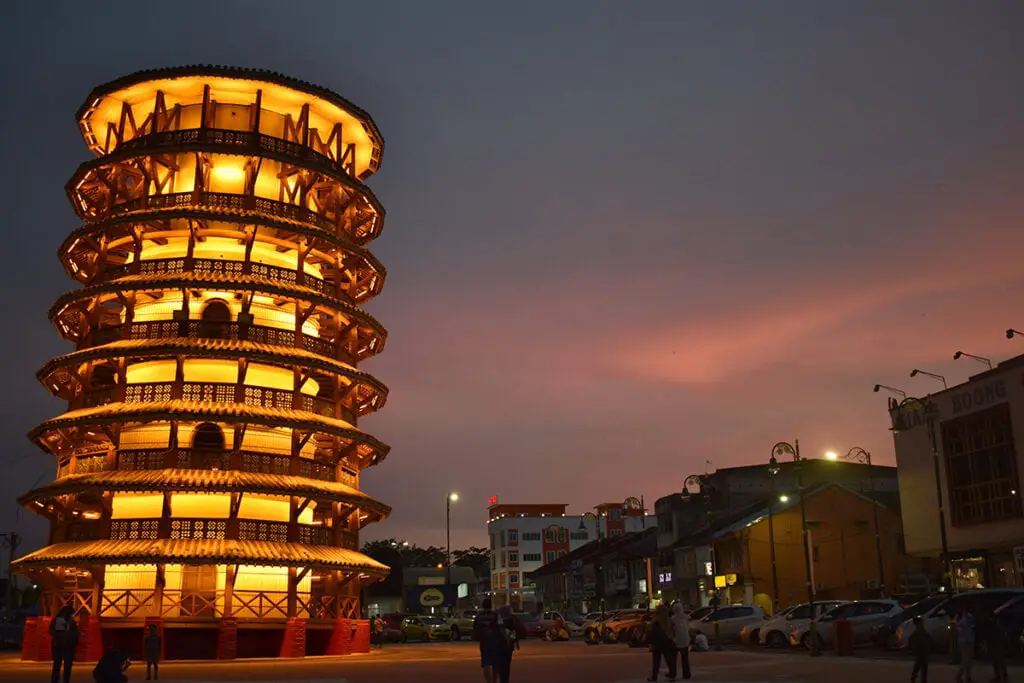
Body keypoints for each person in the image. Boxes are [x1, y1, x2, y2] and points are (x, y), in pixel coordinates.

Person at [473, 598, 509, 683]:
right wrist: (507, 639)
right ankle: (494, 680)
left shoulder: (478, 617)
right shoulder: (496, 615)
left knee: (486, 664)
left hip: (484, 641)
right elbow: (501, 628)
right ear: (491, 605)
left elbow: (475, 629)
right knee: (496, 664)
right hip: (495, 642)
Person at [49, 605, 80, 683]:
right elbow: (61, 634)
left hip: (64, 646)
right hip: (62, 646)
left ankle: (59, 680)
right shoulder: (61, 620)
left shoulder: (68, 620)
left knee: (60, 666)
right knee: (61, 666)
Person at [647, 604, 676, 682]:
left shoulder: (656, 620)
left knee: (656, 661)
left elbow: (652, 632)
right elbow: (673, 631)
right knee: (669, 659)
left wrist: (651, 643)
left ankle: (654, 677)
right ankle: (672, 675)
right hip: (667, 641)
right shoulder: (669, 620)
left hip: (657, 643)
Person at [670, 602, 692, 680]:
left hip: (676, 640)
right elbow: (689, 628)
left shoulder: (673, 619)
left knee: (673, 659)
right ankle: (686, 674)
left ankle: (673, 674)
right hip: (685, 640)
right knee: (685, 658)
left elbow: (672, 630)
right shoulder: (686, 617)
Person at [498, 608, 519, 683]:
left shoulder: (499, 620)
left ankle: (502, 679)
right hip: (509, 645)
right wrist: (516, 642)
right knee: (507, 664)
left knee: (501, 664)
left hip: (500, 645)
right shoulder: (511, 619)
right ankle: (505, 680)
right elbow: (514, 632)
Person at [955, 607, 975, 683]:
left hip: (970, 640)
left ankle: (968, 676)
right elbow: (959, 629)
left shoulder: (969, 617)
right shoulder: (960, 619)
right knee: (965, 660)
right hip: (964, 642)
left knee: (969, 660)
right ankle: (959, 676)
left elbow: (972, 626)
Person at [908, 616, 930, 683]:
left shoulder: (919, 632)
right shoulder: (919, 633)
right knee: (922, 664)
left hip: (921, 649)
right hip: (920, 649)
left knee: (920, 664)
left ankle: (918, 677)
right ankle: (920, 678)